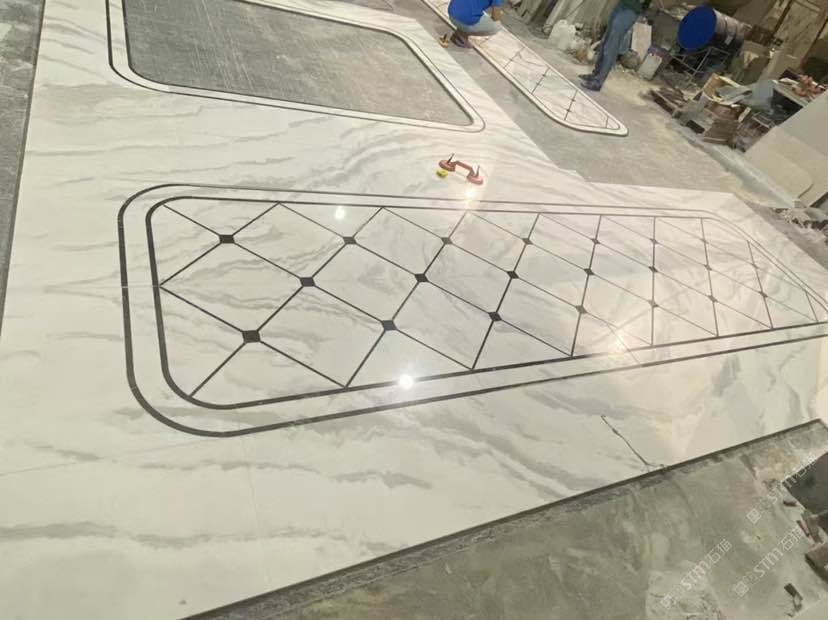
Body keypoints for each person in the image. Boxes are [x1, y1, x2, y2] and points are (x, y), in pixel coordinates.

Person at [580, 0, 650, 91]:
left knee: (611, 45)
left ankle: (598, 81)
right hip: (622, 5)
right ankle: (595, 74)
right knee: (605, 41)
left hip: (631, 10)